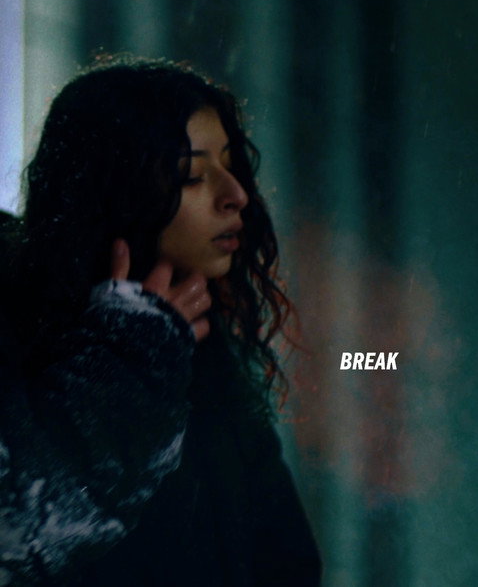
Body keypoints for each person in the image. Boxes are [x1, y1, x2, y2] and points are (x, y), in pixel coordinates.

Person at [0, 56, 322, 586]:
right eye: (191, 175)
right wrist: (130, 356)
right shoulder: (19, 336)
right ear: (115, 192)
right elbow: (22, 526)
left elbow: (288, 564)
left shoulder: (205, 353)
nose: (237, 195)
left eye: (230, 164)